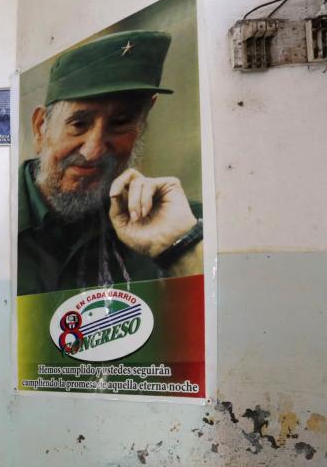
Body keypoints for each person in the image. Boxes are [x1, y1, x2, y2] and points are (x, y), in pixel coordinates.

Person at [17, 29, 203, 295]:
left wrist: (180, 247)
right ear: (40, 128)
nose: (93, 151)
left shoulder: (176, 222)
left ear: (142, 123)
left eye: (120, 123)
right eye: (79, 124)